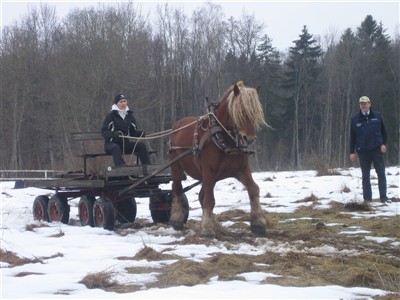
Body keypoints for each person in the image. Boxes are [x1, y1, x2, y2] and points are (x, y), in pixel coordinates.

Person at [350, 96, 390, 203]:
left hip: (376, 149)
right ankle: (367, 199)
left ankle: (383, 197)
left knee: (381, 173)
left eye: (365, 103)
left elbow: (384, 132)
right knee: (365, 175)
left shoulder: (377, 116)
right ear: (360, 105)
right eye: (361, 104)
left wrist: (383, 144)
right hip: (363, 151)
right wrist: (352, 152)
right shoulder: (355, 119)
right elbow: (352, 137)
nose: (363, 105)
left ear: (369, 104)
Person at [101, 94, 151, 166]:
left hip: (124, 145)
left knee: (141, 146)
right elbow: (104, 131)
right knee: (116, 147)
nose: (123, 103)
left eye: (124, 101)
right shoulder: (111, 116)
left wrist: (141, 134)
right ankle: (122, 169)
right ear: (116, 104)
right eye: (121, 102)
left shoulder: (129, 116)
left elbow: (132, 132)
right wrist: (114, 134)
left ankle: (148, 168)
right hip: (111, 145)